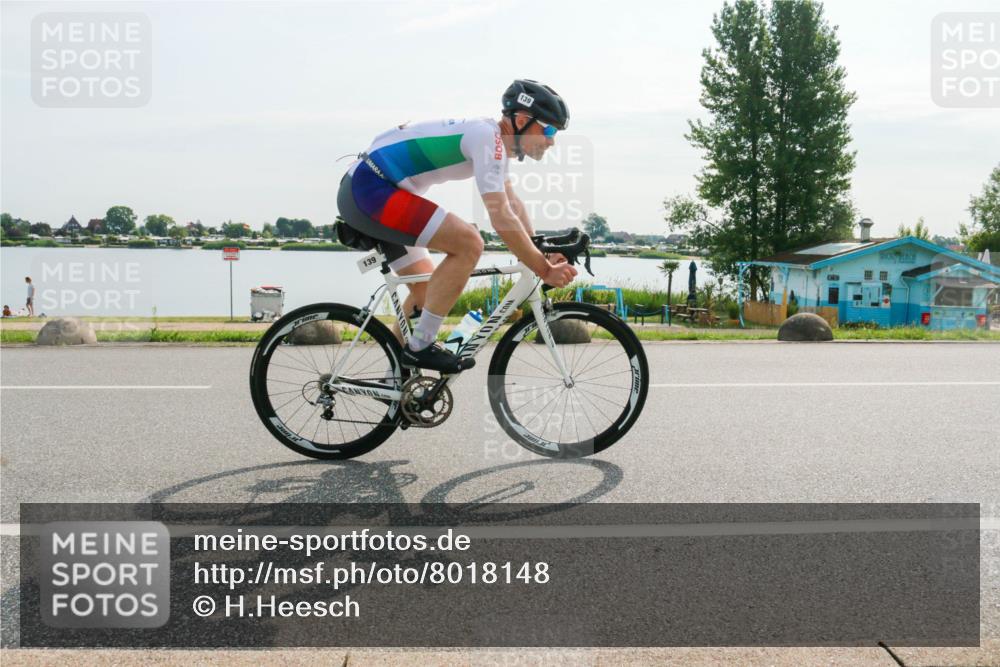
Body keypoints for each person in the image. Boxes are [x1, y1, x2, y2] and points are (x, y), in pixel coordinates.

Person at [337, 79, 577, 374]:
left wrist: (540, 249)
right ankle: (420, 347)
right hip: (371, 189)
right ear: (522, 120)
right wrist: (544, 269)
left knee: (426, 292)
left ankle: (396, 381)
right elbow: (501, 218)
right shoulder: (487, 138)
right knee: (469, 242)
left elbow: (511, 203)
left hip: (375, 188)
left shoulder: (495, 144)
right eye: (549, 130)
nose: (552, 141)